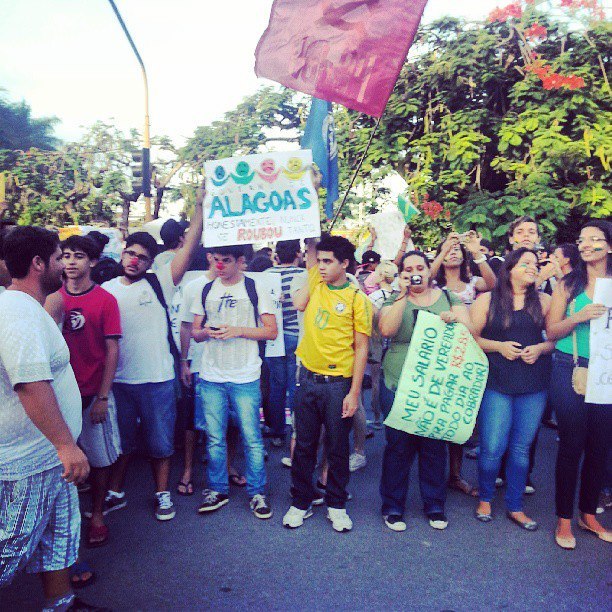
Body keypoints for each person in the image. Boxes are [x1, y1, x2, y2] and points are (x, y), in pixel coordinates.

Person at [0, 226, 98, 611]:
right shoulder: (18, 312)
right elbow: (30, 383)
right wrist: (64, 445)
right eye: (59, 257)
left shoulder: (28, 310)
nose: (65, 266)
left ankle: (61, 604)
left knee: (59, 536)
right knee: (12, 544)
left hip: (50, 456)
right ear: (39, 263)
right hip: (33, 457)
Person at [102, 186, 203, 521]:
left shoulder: (161, 281)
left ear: (150, 262)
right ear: (122, 254)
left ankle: (162, 494)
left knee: (161, 445)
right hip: (118, 383)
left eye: (142, 257)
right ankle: (116, 493)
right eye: (130, 253)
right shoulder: (105, 291)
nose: (134, 260)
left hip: (158, 380)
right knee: (122, 445)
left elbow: (189, 248)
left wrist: (200, 207)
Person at [283, 235, 372, 532]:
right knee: (304, 445)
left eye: (327, 261)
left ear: (345, 264)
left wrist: (354, 393)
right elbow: (298, 303)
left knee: (337, 448)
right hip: (306, 379)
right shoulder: (315, 281)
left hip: (338, 384)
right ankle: (301, 502)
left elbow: (361, 348)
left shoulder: (358, 299)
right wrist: (312, 242)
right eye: (318, 260)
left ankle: (336, 503)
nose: (320, 266)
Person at [378, 251, 470, 532]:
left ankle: (434, 504)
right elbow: (386, 330)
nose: (415, 272)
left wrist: (453, 321)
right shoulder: (394, 299)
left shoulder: (449, 298)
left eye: (420, 268)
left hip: (436, 385)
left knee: (433, 447)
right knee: (398, 447)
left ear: (431, 270)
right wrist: (403, 294)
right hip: (398, 382)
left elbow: (470, 329)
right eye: (409, 269)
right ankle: (393, 506)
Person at [45, 235, 122, 549]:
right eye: (65, 256)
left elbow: (112, 349)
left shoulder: (105, 300)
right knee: (62, 464)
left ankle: (98, 514)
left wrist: (103, 397)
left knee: (101, 461)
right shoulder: (51, 298)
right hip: (59, 397)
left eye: (78, 256)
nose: (71, 262)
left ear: (92, 261)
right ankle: (66, 519)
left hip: (92, 395)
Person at [471, 248, 554, 531]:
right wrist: (499, 347)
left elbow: (555, 340)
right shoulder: (487, 300)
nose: (533, 267)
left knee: (521, 448)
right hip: (497, 381)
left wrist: (541, 348)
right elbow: (471, 339)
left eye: (536, 263)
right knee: (493, 447)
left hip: (534, 382)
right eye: (526, 263)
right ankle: (485, 498)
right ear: (510, 268)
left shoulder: (544, 301)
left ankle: (515, 506)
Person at [192, 245, 277, 519]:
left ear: (240, 261)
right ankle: (217, 489)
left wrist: (237, 330)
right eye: (216, 260)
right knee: (215, 438)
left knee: (252, 437)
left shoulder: (255, 287)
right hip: (211, 374)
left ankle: (257, 492)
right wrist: (205, 332)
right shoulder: (205, 289)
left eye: (226, 261)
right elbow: (194, 332)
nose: (220, 266)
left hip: (245, 374)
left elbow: (271, 331)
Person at [546, 220, 612, 549]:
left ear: (609, 246)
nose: (585, 245)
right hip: (569, 367)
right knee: (572, 443)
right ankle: (563, 520)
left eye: (594, 240)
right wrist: (578, 318)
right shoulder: (568, 285)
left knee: (601, 446)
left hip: (607, 372)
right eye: (582, 240)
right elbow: (552, 331)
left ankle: (588, 514)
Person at [431, 231, 496, 498]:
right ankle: (434, 474)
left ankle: (455, 475)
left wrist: (477, 251)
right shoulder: (434, 287)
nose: (453, 252)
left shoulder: (474, 283)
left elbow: (494, 283)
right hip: (441, 354)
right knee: (439, 415)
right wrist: (444, 247)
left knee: (461, 416)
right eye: (448, 249)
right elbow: (424, 277)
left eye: (458, 249)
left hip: (470, 353)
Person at [267, 240, 307, 450]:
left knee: (276, 387)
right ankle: (296, 431)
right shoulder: (303, 275)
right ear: (297, 254)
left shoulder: (266, 275)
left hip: (273, 337)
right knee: (295, 386)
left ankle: (276, 432)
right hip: (295, 334)